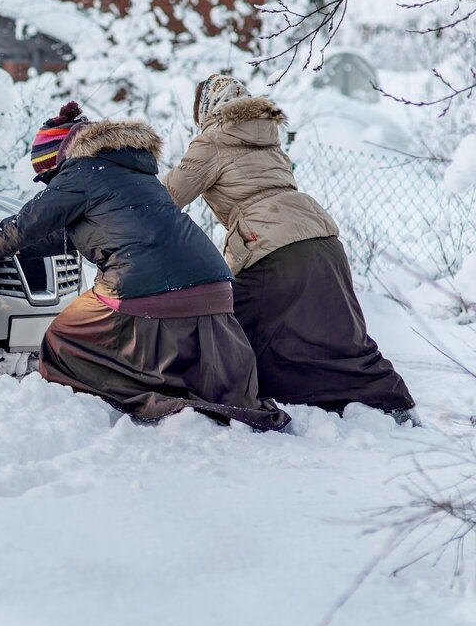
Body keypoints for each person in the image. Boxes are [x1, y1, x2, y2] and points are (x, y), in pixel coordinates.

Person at [0, 102, 290, 432]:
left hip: (144, 286)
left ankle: (124, 397)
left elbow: (26, 226)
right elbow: (63, 235)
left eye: (48, 178)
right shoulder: (128, 171)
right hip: (212, 285)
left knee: (64, 335)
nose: (52, 185)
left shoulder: (80, 172)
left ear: (57, 161)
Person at [164, 74, 416, 418]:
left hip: (273, 246)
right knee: (337, 332)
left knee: (228, 326)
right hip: (322, 239)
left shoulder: (212, 140)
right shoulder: (268, 138)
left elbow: (166, 199)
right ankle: (395, 404)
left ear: (205, 110)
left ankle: (222, 399)